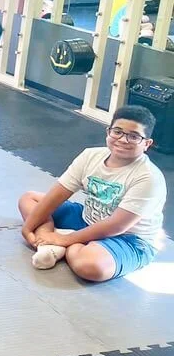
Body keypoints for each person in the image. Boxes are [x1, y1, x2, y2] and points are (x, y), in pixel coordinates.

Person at [18, 105, 166, 281]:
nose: (123, 140)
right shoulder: (90, 156)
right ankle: (48, 238)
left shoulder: (149, 178)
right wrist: (28, 228)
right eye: (117, 132)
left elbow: (117, 226)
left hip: (128, 238)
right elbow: (57, 195)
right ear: (108, 132)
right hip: (86, 219)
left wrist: (64, 240)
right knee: (29, 198)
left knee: (91, 267)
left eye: (134, 136)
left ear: (146, 144)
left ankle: (61, 243)